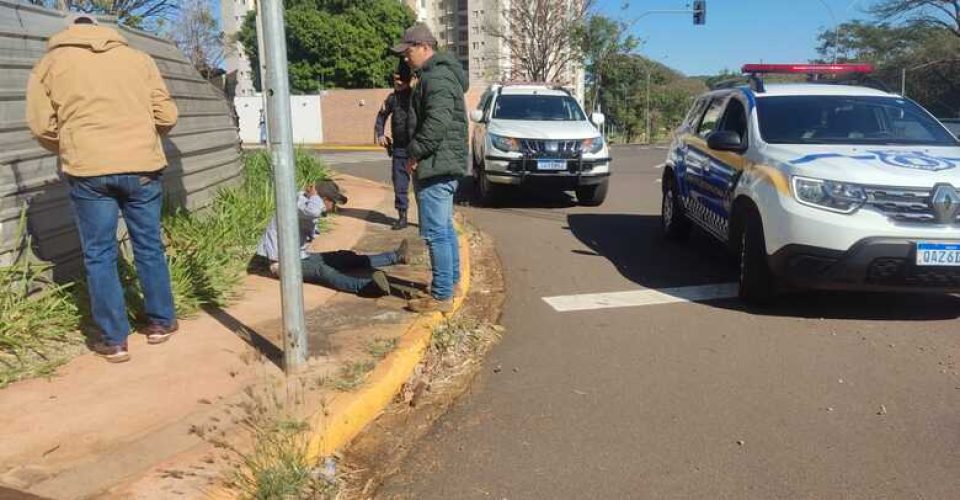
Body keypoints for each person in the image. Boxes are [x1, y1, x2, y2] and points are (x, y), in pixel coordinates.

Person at [26, 15, 179, 363]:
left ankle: (114, 341)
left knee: (99, 255)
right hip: (142, 167)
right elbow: (167, 115)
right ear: (105, 31)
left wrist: (73, 145)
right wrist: (141, 135)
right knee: (149, 245)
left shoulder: (49, 64)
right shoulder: (139, 59)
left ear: (68, 31)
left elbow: (40, 124)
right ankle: (160, 323)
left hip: (88, 169)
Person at [391, 24, 469, 313]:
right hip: (441, 163)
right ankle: (451, 283)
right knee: (444, 229)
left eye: (408, 51)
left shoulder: (437, 79)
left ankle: (441, 296)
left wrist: (414, 153)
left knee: (435, 233)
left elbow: (437, 124)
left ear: (424, 47)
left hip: (437, 165)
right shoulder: (434, 77)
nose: (406, 58)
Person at [251, 180, 410, 296]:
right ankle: (367, 287)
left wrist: (315, 198)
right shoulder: (300, 203)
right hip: (282, 265)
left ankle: (395, 256)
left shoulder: (307, 203)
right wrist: (315, 196)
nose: (334, 207)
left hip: (300, 257)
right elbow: (313, 211)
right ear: (324, 199)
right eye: (332, 202)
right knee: (324, 271)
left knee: (342, 257)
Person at [374, 60, 416, 230]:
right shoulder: (392, 99)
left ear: (408, 80)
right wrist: (380, 133)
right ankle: (402, 217)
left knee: (422, 187)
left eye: (401, 80)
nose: (398, 83)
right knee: (399, 185)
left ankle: (426, 220)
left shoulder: (416, 96)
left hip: (417, 148)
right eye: (395, 80)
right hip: (399, 148)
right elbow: (381, 116)